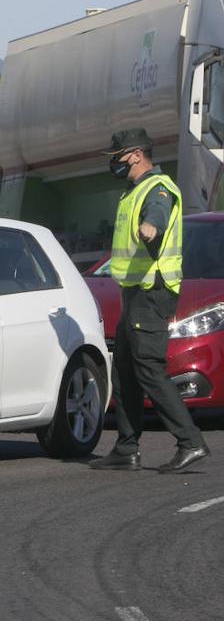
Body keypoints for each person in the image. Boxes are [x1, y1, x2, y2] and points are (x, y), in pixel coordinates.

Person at [90, 128, 210, 474]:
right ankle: (127, 448)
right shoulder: (133, 191)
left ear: (137, 155)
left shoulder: (157, 189)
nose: (114, 162)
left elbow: (157, 213)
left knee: (149, 369)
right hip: (134, 292)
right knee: (125, 369)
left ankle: (190, 441)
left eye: (118, 156)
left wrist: (150, 228)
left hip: (152, 292)